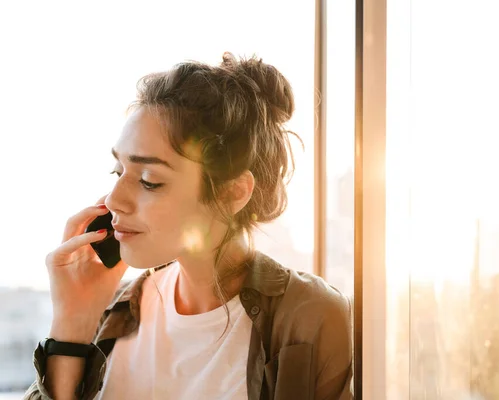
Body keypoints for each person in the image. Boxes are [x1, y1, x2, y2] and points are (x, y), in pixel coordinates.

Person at [23, 53, 353, 400]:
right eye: (118, 172)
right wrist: (72, 325)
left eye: (149, 180)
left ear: (232, 192)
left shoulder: (309, 319)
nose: (114, 200)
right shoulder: (113, 311)